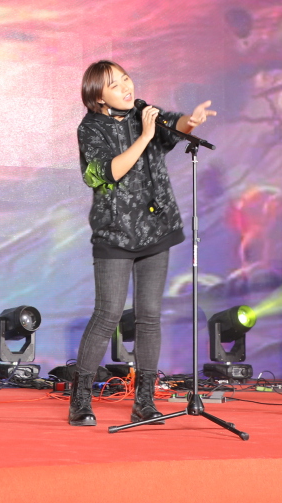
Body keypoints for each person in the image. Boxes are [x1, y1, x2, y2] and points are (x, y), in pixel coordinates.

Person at [68, 60, 215, 427]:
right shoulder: (90, 129)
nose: (126, 88)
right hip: (115, 233)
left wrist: (192, 121)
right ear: (98, 98)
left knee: (149, 315)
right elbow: (107, 173)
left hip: (155, 230)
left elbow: (175, 125)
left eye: (126, 79)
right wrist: (145, 137)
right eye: (115, 85)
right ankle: (80, 398)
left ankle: (144, 400)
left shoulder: (143, 112)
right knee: (108, 314)